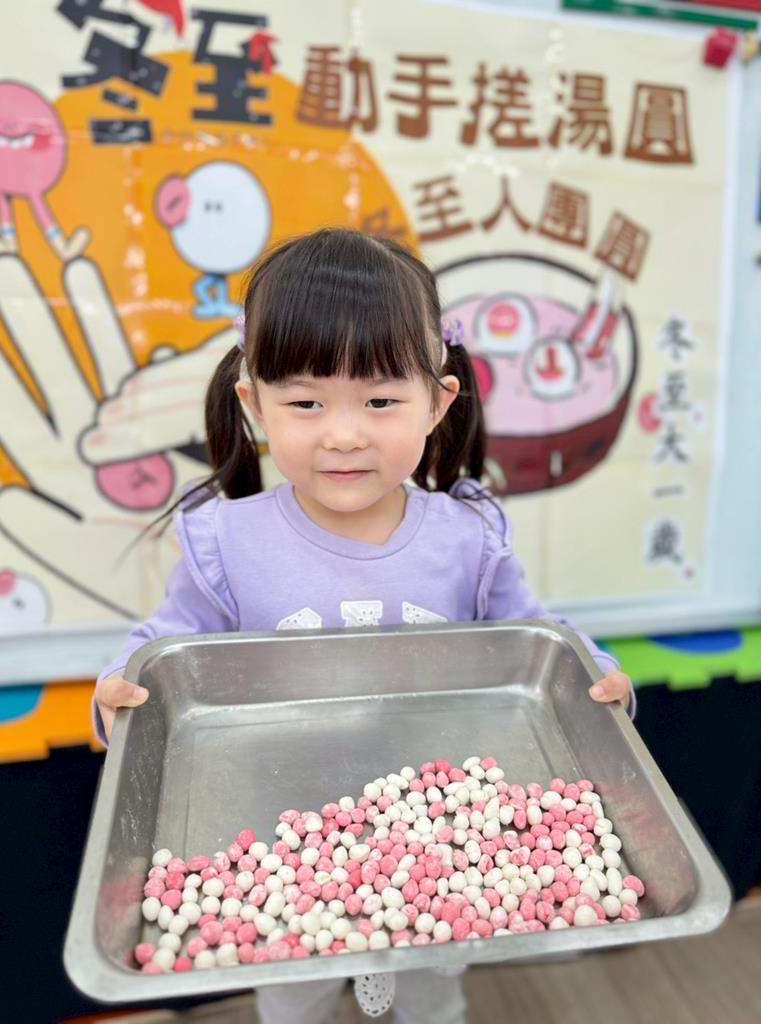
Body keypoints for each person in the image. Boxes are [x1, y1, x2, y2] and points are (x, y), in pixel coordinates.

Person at [94, 227, 633, 1024]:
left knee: (431, 988)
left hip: (443, 836)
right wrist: (119, 688)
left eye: (380, 401)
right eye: (305, 403)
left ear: (437, 402)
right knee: (291, 995)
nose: (343, 433)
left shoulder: (467, 535)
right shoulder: (228, 542)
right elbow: (165, 646)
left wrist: (595, 675)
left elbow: (534, 637)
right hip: (277, 836)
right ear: (254, 403)